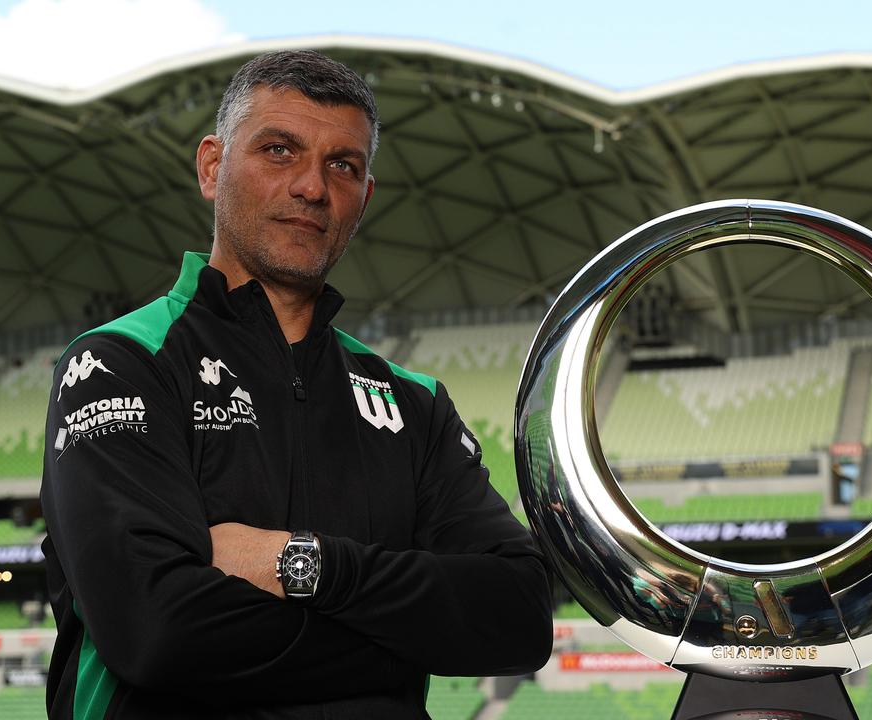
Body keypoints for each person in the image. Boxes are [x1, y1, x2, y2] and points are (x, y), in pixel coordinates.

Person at [40, 50, 553, 719]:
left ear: (364, 197)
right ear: (212, 166)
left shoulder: (412, 402)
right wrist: (409, 637)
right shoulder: (118, 363)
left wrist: (304, 564)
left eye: (343, 164)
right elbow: (156, 630)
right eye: (279, 150)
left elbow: (516, 616)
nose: (312, 186)